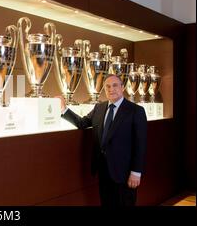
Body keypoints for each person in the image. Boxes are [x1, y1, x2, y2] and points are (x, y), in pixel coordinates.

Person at [59, 74, 147, 206]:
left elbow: (140, 144)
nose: (111, 89)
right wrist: (63, 109)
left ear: (122, 88)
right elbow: (82, 123)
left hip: (124, 173)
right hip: (103, 170)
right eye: (107, 86)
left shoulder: (136, 111)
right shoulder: (99, 108)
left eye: (115, 85)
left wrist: (136, 172)